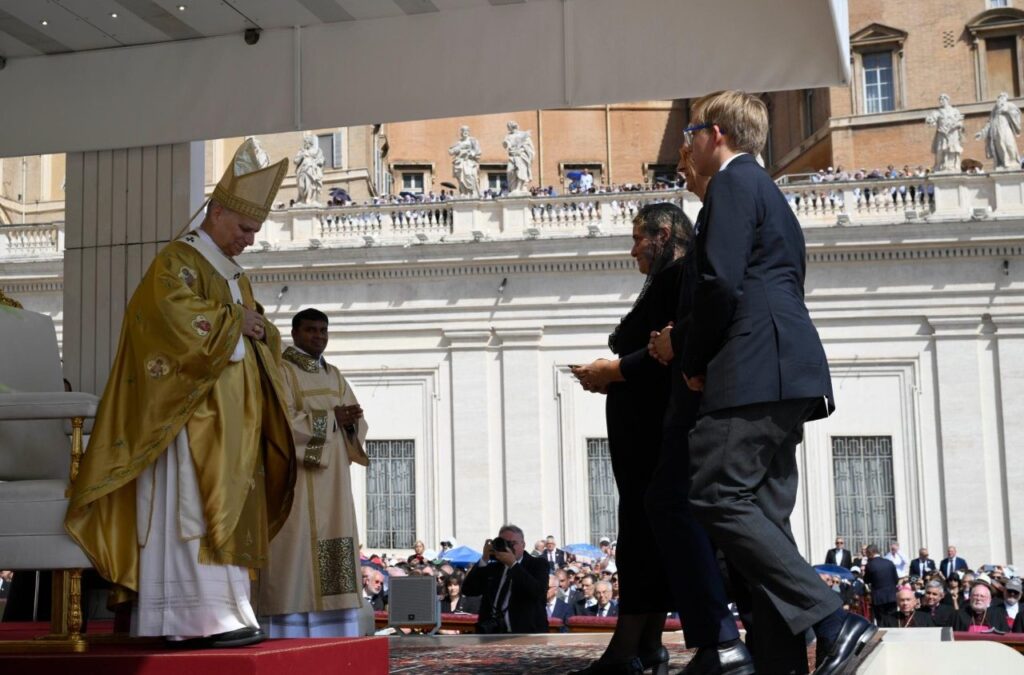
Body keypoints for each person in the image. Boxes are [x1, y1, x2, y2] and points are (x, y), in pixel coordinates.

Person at [64, 139, 295, 647]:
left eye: (255, 231)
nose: (249, 240)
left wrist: (257, 330)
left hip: (231, 421)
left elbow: (257, 332)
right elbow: (166, 323)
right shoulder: (178, 262)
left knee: (225, 507)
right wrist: (237, 324)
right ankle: (192, 618)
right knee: (191, 509)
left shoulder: (232, 273)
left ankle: (228, 610)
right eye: (244, 228)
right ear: (215, 213)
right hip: (191, 419)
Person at [680, 90, 873, 675]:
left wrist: (693, 357)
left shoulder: (735, 184)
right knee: (763, 519)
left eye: (690, 132)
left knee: (715, 492)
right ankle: (782, 662)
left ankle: (833, 618)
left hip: (750, 369)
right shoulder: (773, 196)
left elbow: (720, 283)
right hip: (787, 369)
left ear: (718, 134)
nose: (684, 144)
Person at [571, 202, 695, 675]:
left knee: (641, 538)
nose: (633, 249)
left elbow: (646, 348)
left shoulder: (674, 278)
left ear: (663, 235)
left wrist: (611, 372)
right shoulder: (674, 280)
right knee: (645, 536)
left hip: (652, 434)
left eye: (638, 237)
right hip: (647, 431)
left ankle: (626, 651)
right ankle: (647, 646)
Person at [646, 146, 753, 675]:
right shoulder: (728, 207)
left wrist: (681, 351)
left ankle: (723, 636)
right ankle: (746, 634)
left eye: (689, 150)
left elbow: (721, 293)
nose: (681, 162)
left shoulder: (731, 200)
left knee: (683, 504)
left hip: (701, 391)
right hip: (712, 386)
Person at [259, 308, 369, 637]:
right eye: (311, 330)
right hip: (295, 481)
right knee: (295, 550)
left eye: (323, 330)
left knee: (334, 541)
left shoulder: (334, 375)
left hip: (333, 483)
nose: (318, 336)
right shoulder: (281, 370)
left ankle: (334, 634)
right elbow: (279, 424)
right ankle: (287, 631)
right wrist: (331, 418)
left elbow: (356, 424)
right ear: (294, 333)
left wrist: (350, 424)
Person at [462, 524, 548, 634]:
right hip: (492, 635)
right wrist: (484, 558)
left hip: (525, 634)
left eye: (513, 543)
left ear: (523, 544)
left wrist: (513, 564)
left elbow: (537, 592)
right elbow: (468, 589)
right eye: (505, 543)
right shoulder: (493, 567)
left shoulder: (537, 564)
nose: (509, 547)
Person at [864, 544, 899, 622]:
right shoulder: (889, 563)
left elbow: (866, 580)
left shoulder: (870, 565)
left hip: (878, 598)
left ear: (870, 553)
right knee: (893, 620)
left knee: (881, 621)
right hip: (892, 596)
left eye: (867, 554)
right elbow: (896, 580)